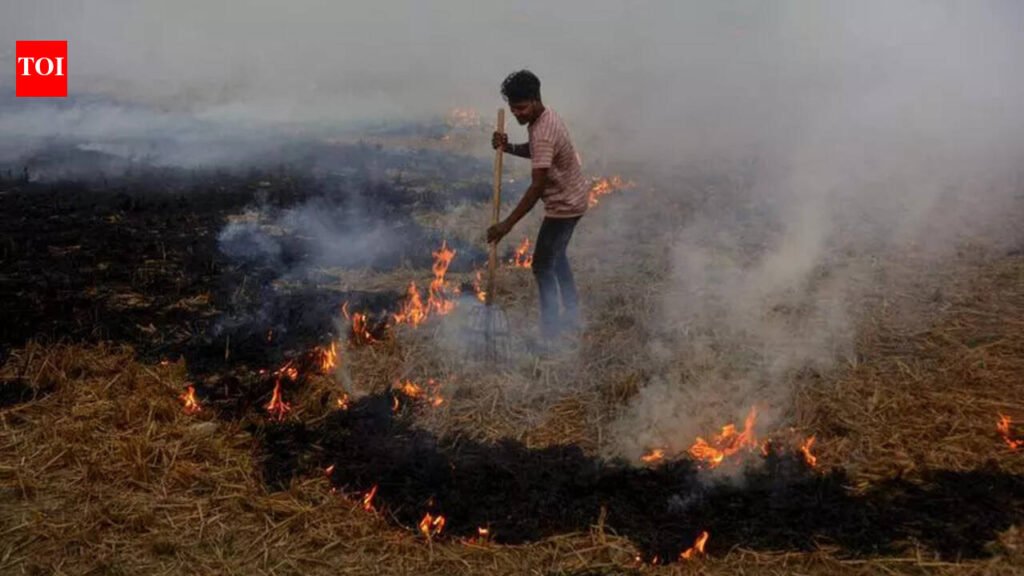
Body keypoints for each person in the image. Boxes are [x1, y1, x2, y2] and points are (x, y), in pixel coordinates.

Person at [488, 70, 588, 348]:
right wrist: (508, 148)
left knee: (542, 265)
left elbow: (536, 188)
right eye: (512, 109)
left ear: (534, 100)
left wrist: (506, 225)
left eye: (521, 108)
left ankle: (551, 332)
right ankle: (573, 312)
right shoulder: (544, 118)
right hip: (574, 197)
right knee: (557, 257)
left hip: (565, 205)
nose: (517, 114)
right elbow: (537, 151)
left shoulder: (543, 131)